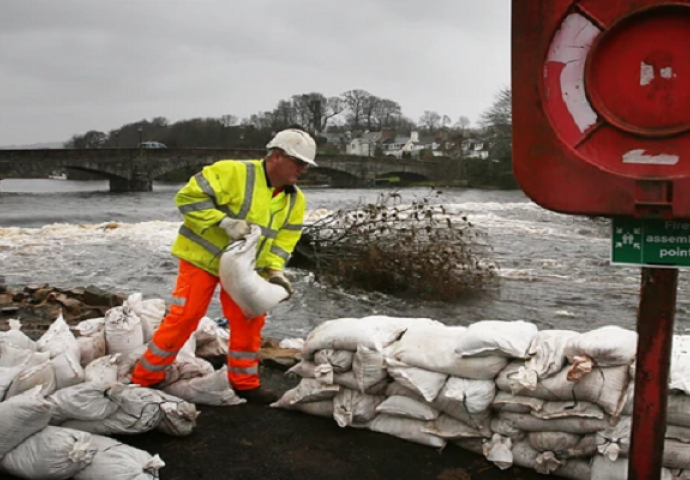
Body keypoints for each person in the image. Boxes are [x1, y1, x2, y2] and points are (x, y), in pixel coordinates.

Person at [130, 128, 316, 404]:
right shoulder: (232, 172)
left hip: (245, 267)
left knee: (249, 319)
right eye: (299, 163)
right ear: (278, 156)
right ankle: (144, 379)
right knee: (186, 316)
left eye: (306, 165)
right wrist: (223, 222)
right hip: (202, 259)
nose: (303, 170)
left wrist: (275, 272)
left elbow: (284, 241)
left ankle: (244, 383)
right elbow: (187, 198)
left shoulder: (294, 199)